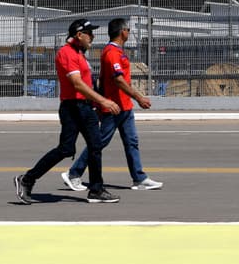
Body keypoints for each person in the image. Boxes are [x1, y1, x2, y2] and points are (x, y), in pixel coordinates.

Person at [14, 19, 122, 205]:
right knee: (66, 149)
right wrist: (103, 101)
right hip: (72, 108)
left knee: (95, 146)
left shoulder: (79, 53)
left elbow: (88, 83)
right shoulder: (66, 53)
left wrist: (95, 105)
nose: (93, 36)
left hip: (85, 107)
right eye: (90, 33)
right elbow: (77, 84)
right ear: (79, 35)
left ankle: (96, 190)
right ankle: (27, 179)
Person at [61, 17, 163, 191]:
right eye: (128, 30)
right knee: (99, 142)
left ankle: (139, 178)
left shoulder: (117, 51)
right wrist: (138, 97)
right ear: (122, 32)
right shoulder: (111, 52)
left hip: (125, 107)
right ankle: (74, 173)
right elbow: (118, 80)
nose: (129, 32)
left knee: (132, 142)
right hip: (114, 107)